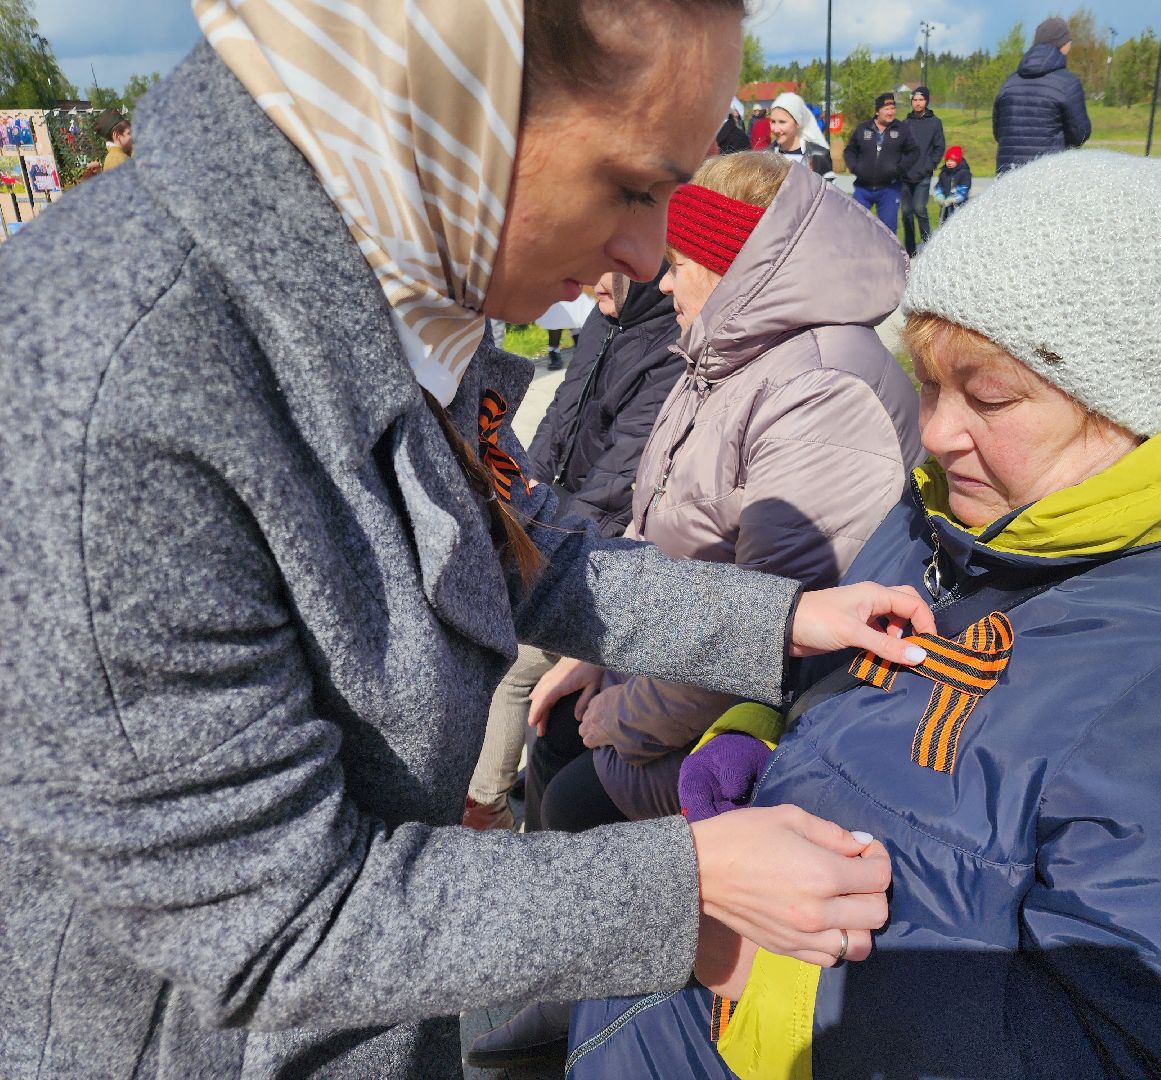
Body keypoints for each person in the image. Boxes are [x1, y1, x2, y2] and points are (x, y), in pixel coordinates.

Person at [0, 2, 944, 1077]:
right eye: (634, 188)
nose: (647, 256)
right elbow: (274, 923)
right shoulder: (115, 388)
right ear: (456, 103)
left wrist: (782, 617)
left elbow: (519, 549)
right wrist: (685, 885)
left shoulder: (403, 285)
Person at [568, 150, 1161, 1080]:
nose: (934, 431)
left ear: (1128, 400)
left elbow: (1159, 1051)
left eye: (990, 396)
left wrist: (772, 976)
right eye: (927, 382)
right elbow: (848, 705)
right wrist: (753, 734)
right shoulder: (955, 512)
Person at [469, 148, 920, 1068]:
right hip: (674, 667)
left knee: (573, 791)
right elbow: (653, 532)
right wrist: (593, 655)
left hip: (743, 718)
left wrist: (625, 717)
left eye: (677, 261)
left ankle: (598, 1009)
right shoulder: (722, 357)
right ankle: (573, 994)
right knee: (554, 739)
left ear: (733, 264)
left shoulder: (813, 387)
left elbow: (774, 631)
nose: (657, 278)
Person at [463, 266, 686, 832]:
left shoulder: (670, 344)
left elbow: (619, 475)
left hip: (599, 540)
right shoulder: (602, 323)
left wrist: (542, 539)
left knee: (513, 661)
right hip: (556, 521)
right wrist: (516, 499)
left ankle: (485, 807)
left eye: (612, 272)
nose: (592, 282)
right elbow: (557, 414)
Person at [992, 16, 1091, 173]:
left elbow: (999, 133)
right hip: (1048, 176)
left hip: (1008, 177)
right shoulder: (1067, 83)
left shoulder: (1009, 83)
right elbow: (1080, 135)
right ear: (1063, 44)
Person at [842, 91, 920, 234]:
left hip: (889, 189)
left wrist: (899, 169)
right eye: (886, 109)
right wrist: (855, 167)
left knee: (887, 231)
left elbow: (914, 151)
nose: (891, 112)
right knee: (855, 226)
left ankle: (886, 250)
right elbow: (850, 150)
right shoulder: (863, 128)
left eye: (893, 108)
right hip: (862, 189)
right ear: (877, 111)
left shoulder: (902, 129)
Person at [899, 85, 945, 257]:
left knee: (919, 209)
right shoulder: (905, 124)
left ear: (926, 101)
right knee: (906, 213)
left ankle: (928, 244)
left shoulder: (935, 123)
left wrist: (929, 166)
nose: (917, 103)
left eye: (921, 100)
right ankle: (910, 250)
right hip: (905, 176)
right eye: (915, 100)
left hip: (923, 175)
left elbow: (939, 147)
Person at [767, 90, 833, 177]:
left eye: (782, 122)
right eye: (773, 122)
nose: (775, 129)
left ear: (798, 123)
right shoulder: (766, 156)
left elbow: (829, 185)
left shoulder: (819, 155)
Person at [934, 143, 971, 223]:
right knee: (944, 223)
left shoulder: (964, 173)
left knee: (957, 224)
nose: (949, 162)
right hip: (945, 206)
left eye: (952, 160)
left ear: (958, 160)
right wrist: (939, 195)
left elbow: (964, 188)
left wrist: (954, 198)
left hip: (959, 207)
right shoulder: (944, 173)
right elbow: (939, 186)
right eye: (947, 160)